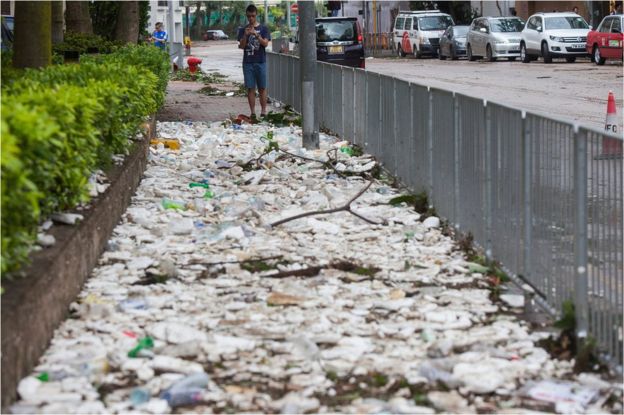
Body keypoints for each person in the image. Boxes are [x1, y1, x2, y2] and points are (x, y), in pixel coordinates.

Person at [237, 4, 271, 119]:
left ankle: (263, 111)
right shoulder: (242, 29)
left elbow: (265, 44)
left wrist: (256, 35)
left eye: (252, 16)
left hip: (261, 61)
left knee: (262, 87)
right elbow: (241, 46)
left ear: (256, 15)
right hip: (248, 62)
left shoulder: (264, 29)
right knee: (250, 88)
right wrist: (246, 36)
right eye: (248, 16)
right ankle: (252, 112)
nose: (251, 18)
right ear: (246, 16)